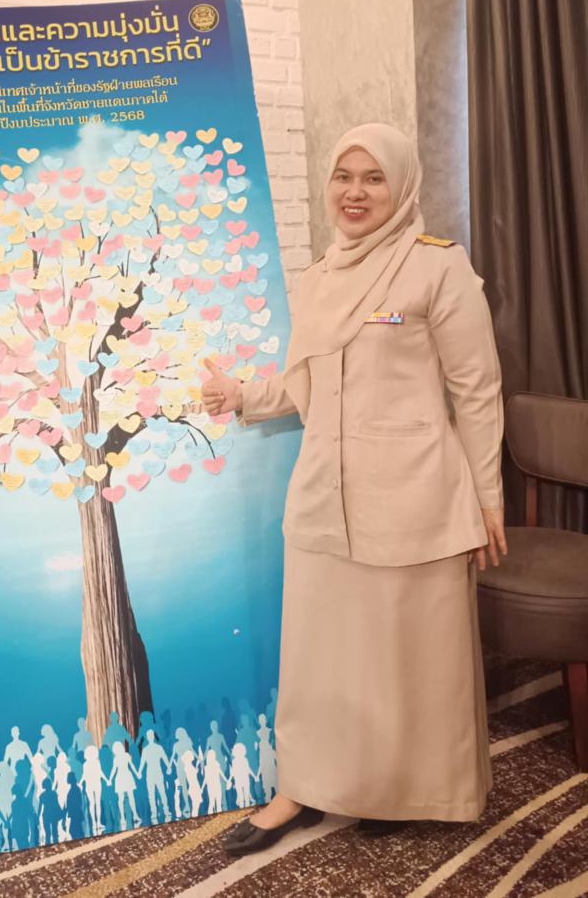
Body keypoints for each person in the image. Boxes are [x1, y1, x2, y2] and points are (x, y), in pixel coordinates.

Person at [201, 123, 508, 856]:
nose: (356, 192)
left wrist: (487, 497)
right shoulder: (318, 277)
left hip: (415, 495)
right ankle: (299, 789)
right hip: (323, 493)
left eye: (374, 178)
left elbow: (477, 389)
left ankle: (400, 788)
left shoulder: (437, 267)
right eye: (344, 176)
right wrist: (241, 394)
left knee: (406, 657)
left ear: (401, 185)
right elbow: (305, 381)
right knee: (321, 658)